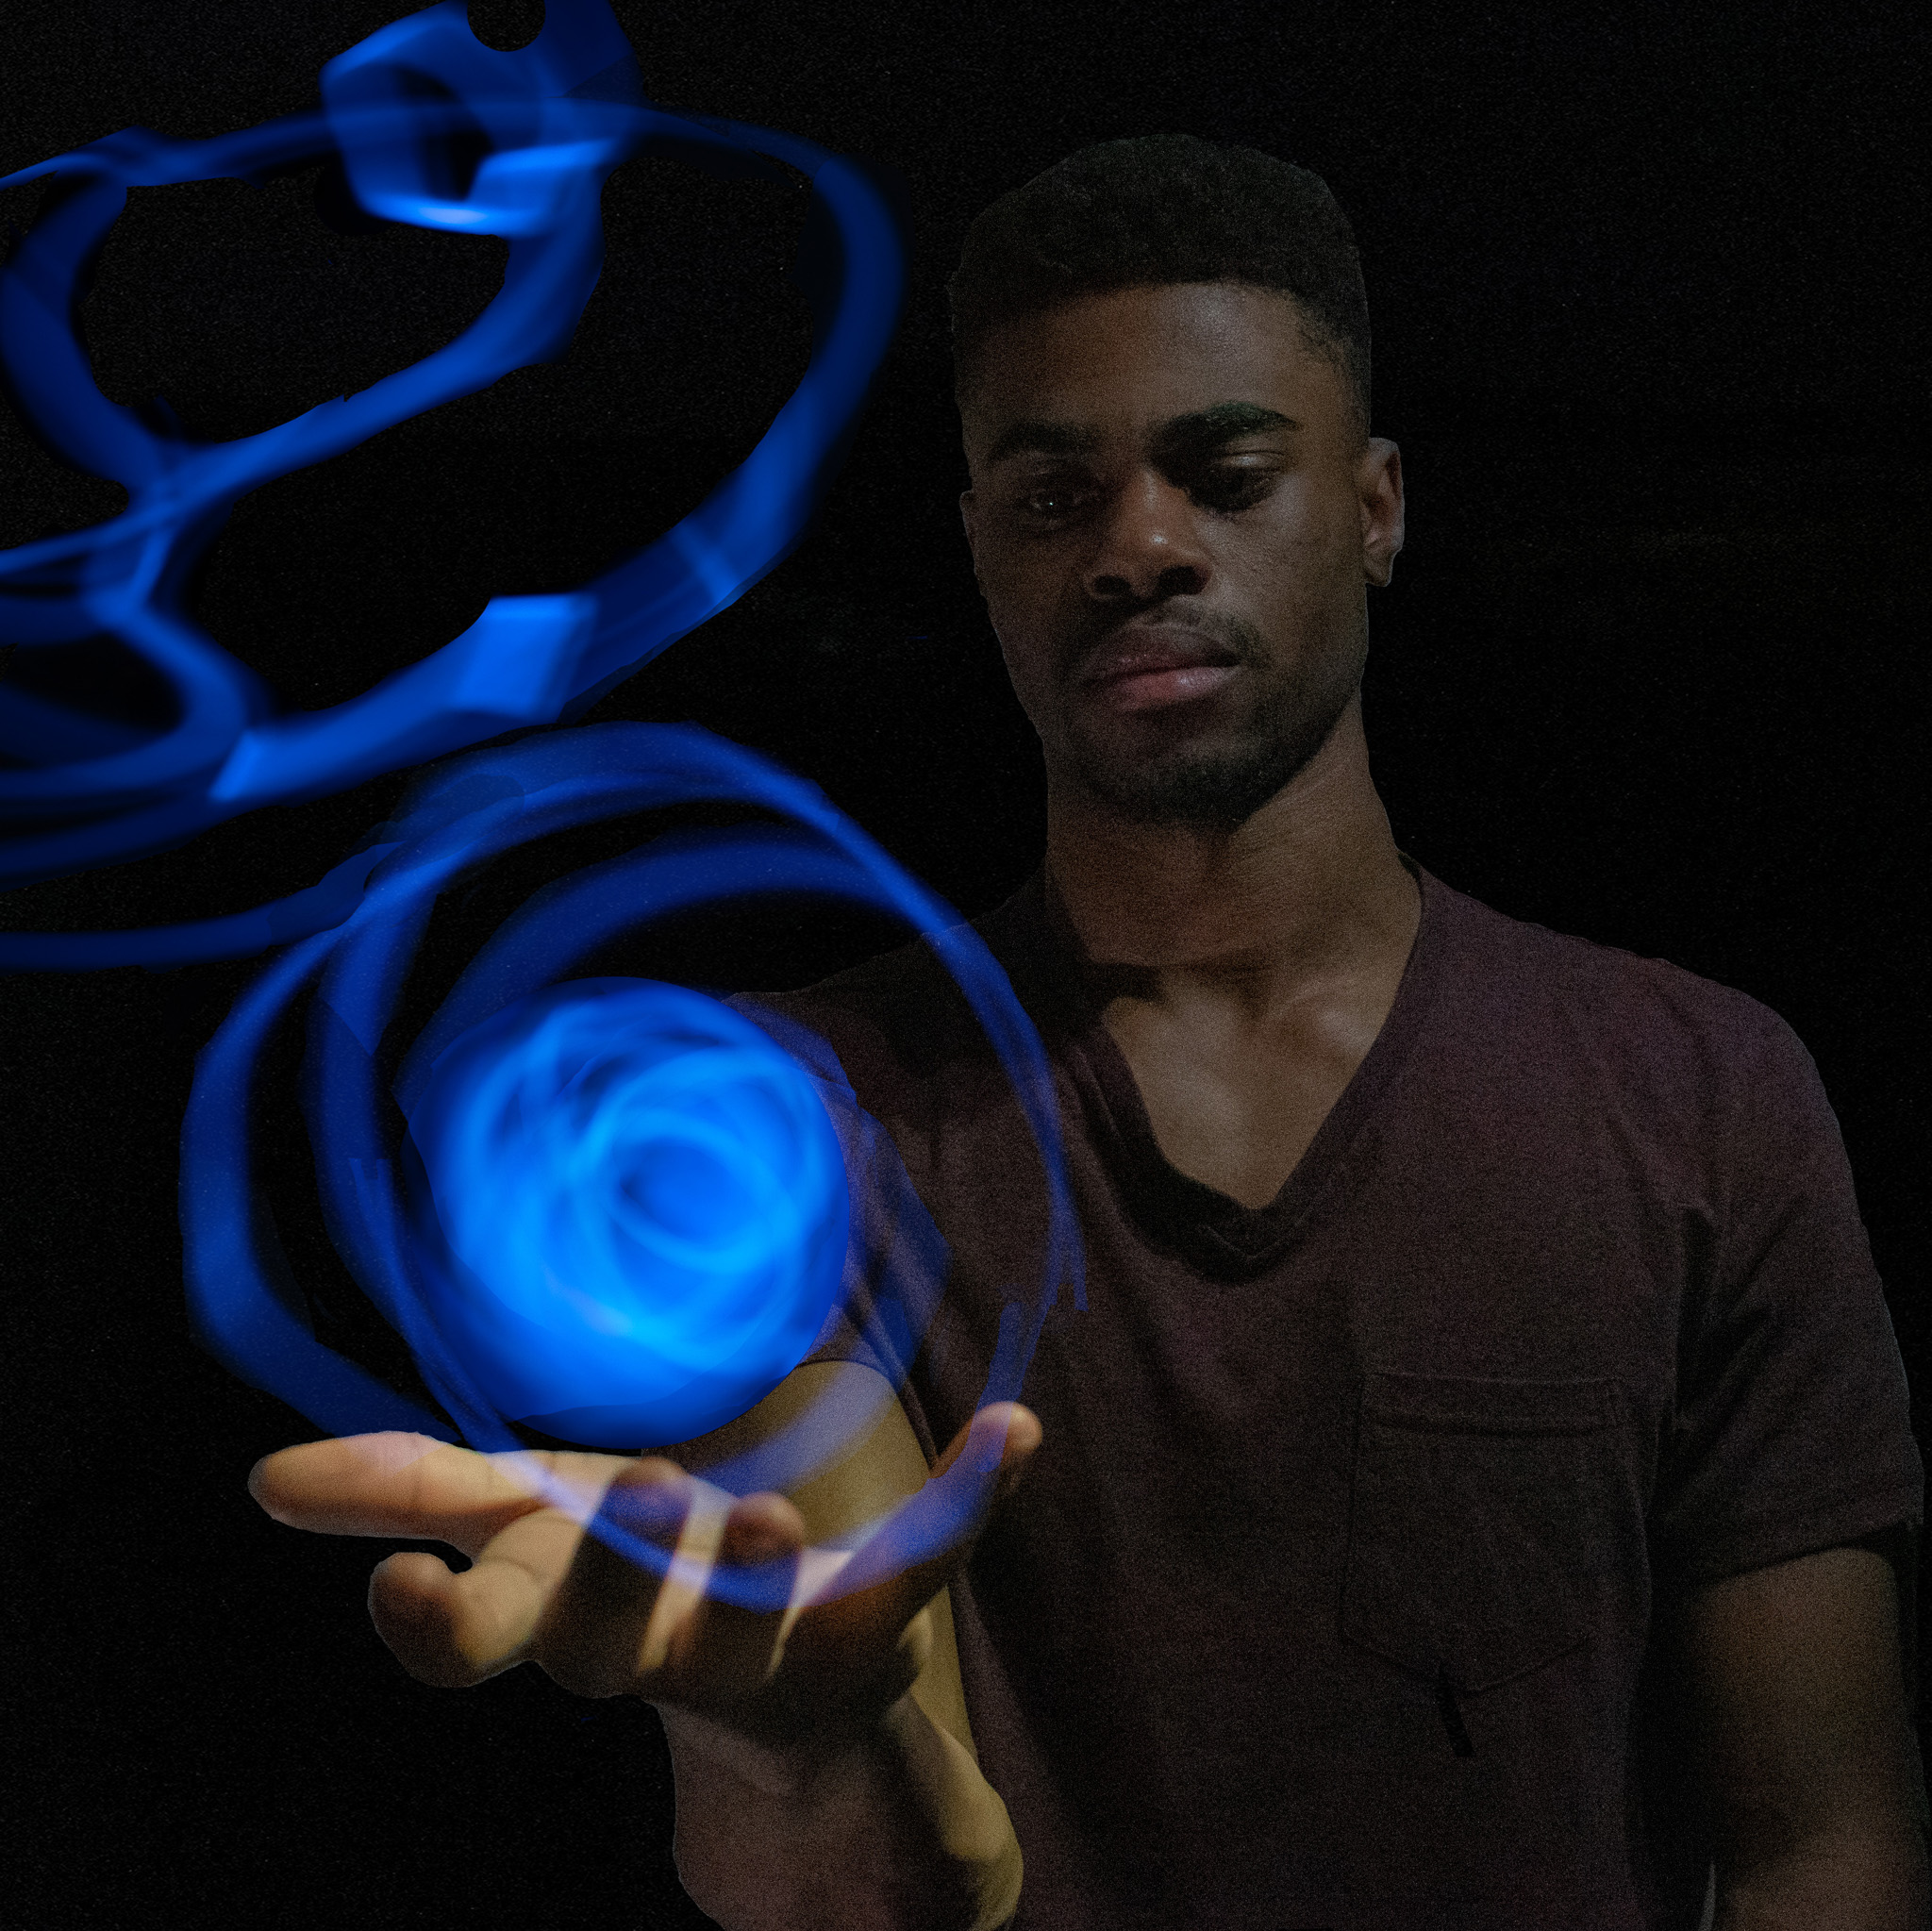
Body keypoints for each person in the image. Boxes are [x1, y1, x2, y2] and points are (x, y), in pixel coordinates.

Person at [248, 136, 1927, 1930]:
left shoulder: (1695, 1101)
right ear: (978, 549)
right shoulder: (795, 1126)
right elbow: (871, 1854)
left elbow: (1825, 1844)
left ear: (1375, 509)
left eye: (1227, 476)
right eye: (1055, 498)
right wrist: (800, 1747)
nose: (1139, 549)